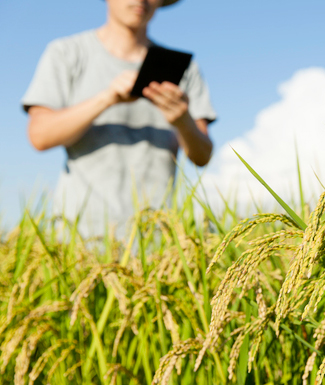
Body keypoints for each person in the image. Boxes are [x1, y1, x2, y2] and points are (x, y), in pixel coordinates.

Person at [22, 0, 216, 238]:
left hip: (157, 233)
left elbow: (203, 155)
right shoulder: (67, 52)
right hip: (79, 233)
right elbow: (40, 136)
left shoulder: (183, 69)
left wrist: (182, 121)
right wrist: (107, 98)